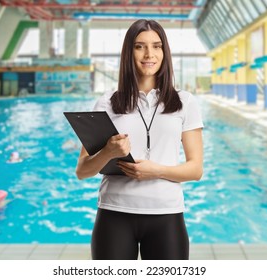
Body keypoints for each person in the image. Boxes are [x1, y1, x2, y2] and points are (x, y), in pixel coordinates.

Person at [75, 19, 203, 260]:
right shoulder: (107, 102)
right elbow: (82, 170)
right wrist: (108, 153)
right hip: (114, 214)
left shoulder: (184, 102)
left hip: (167, 215)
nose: (149, 54)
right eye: (139, 46)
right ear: (128, 52)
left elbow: (195, 169)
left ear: (165, 52)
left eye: (156, 46)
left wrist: (156, 171)